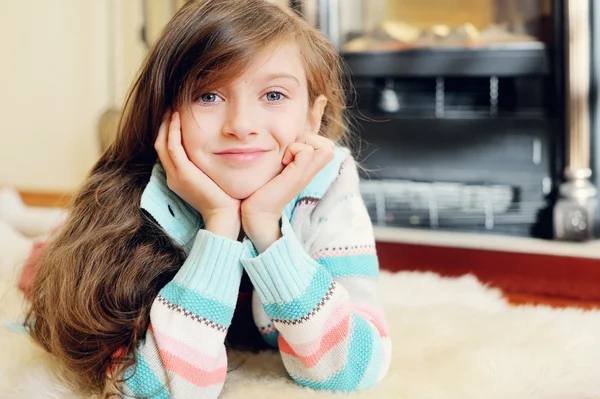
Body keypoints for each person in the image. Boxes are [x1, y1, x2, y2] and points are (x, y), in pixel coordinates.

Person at [25, 0, 392, 397]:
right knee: (38, 261)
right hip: (60, 250)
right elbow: (155, 391)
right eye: (208, 96)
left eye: (273, 95)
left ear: (312, 116)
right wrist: (219, 224)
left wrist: (267, 229)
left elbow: (350, 369)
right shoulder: (134, 202)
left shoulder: (328, 182)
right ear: (167, 114)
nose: (241, 126)